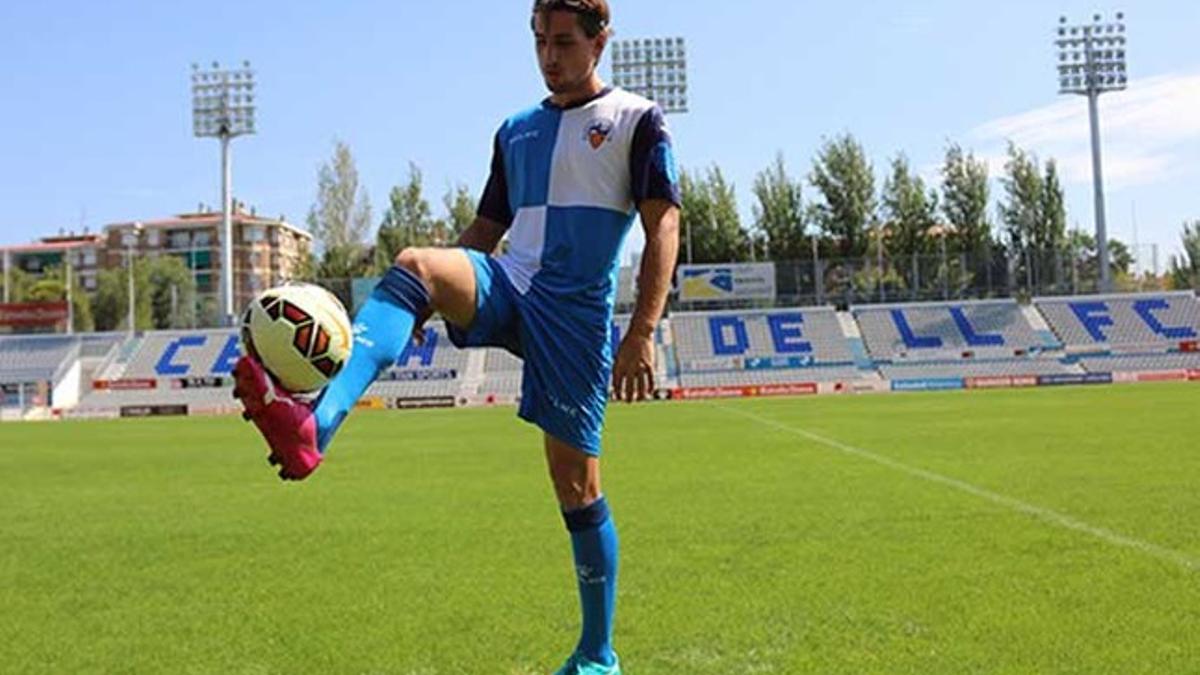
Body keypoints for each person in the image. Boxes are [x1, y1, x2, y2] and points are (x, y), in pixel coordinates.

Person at [233, 0, 680, 672]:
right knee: (417, 263)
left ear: (600, 41)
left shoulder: (638, 121)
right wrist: (426, 300)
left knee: (576, 488)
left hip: (575, 316)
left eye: (563, 42)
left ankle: (597, 654)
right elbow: (482, 235)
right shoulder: (516, 130)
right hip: (508, 281)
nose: (549, 56)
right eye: (538, 41)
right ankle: (314, 425)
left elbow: (663, 226)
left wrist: (642, 329)